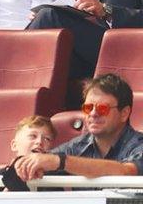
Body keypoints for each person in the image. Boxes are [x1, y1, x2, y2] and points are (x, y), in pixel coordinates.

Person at [14, 73, 143, 182]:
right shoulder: (75, 147)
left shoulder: (139, 145)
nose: (93, 113)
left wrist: (61, 162)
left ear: (124, 113)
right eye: (88, 108)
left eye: (102, 108)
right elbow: (46, 163)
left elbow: (126, 172)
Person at [0, 115, 57, 192]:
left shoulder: (53, 178)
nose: (39, 142)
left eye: (47, 139)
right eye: (33, 136)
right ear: (14, 145)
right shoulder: (0, 176)